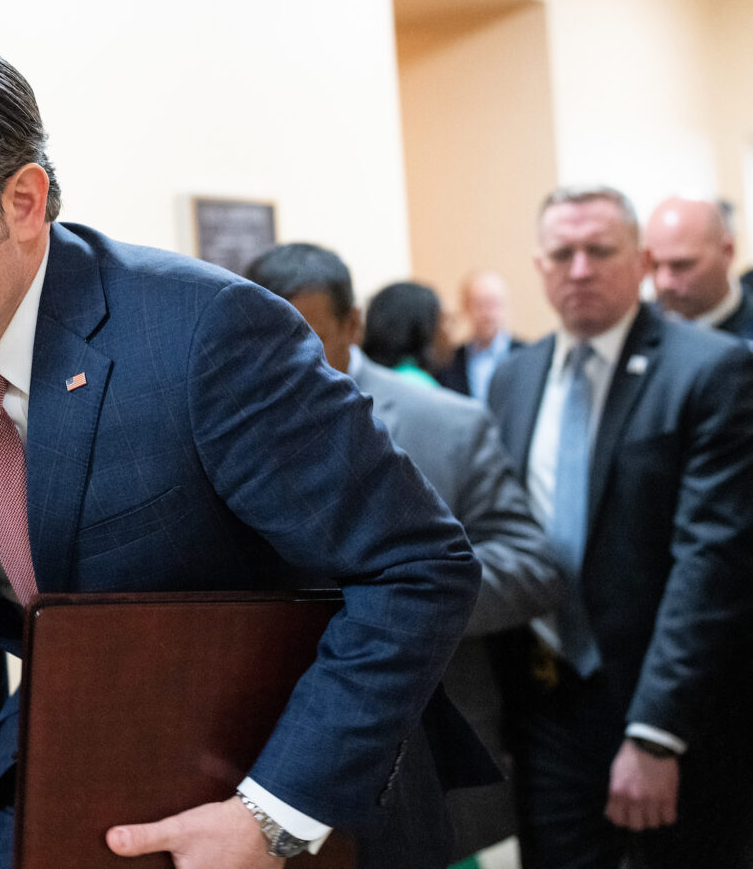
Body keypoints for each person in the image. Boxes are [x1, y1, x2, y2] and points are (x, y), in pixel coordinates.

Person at [0, 39, 490, 869]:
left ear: (22, 200)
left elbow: (420, 567)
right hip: (69, 775)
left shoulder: (206, 336)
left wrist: (270, 816)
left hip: (283, 786)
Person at [246, 242, 563, 866]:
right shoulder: (229, 416)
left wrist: (405, 603)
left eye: (306, 338)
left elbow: (532, 566)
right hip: (272, 755)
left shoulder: (447, 422)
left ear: (353, 324)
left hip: (420, 747)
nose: (283, 362)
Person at [487, 185, 753, 868]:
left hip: (664, 705)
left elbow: (712, 560)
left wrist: (656, 733)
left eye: (599, 251)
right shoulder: (514, 379)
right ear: (539, 265)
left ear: (638, 261)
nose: (579, 268)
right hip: (545, 704)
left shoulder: (709, 369)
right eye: (562, 253)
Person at [643, 194, 753, 341]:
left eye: (681, 265)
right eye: (654, 266)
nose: (664, 282)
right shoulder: (634, 334)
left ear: (727, 252)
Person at [438, 271, 526, 399]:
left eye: (494, 304)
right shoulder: (449, 362)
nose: (488, 314)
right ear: (466, 307)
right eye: (481, 305)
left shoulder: (526, 355)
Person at [362, 280, 448, 387]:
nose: (447, 330)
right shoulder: (417, 385)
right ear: (421, 330)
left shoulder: (370, 378)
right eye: (443, 320)